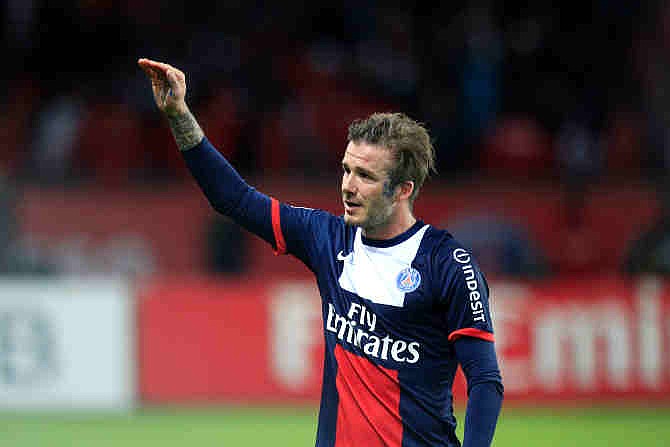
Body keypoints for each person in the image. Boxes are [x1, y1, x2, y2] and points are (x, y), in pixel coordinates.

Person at [138, 58, 503, 447]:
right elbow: (234, 199)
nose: (348, 186)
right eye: (346, 170)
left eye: (365, 176)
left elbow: (484, 381)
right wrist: (179, 115)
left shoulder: (447, 263)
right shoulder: (327, 238)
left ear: (402, 190)